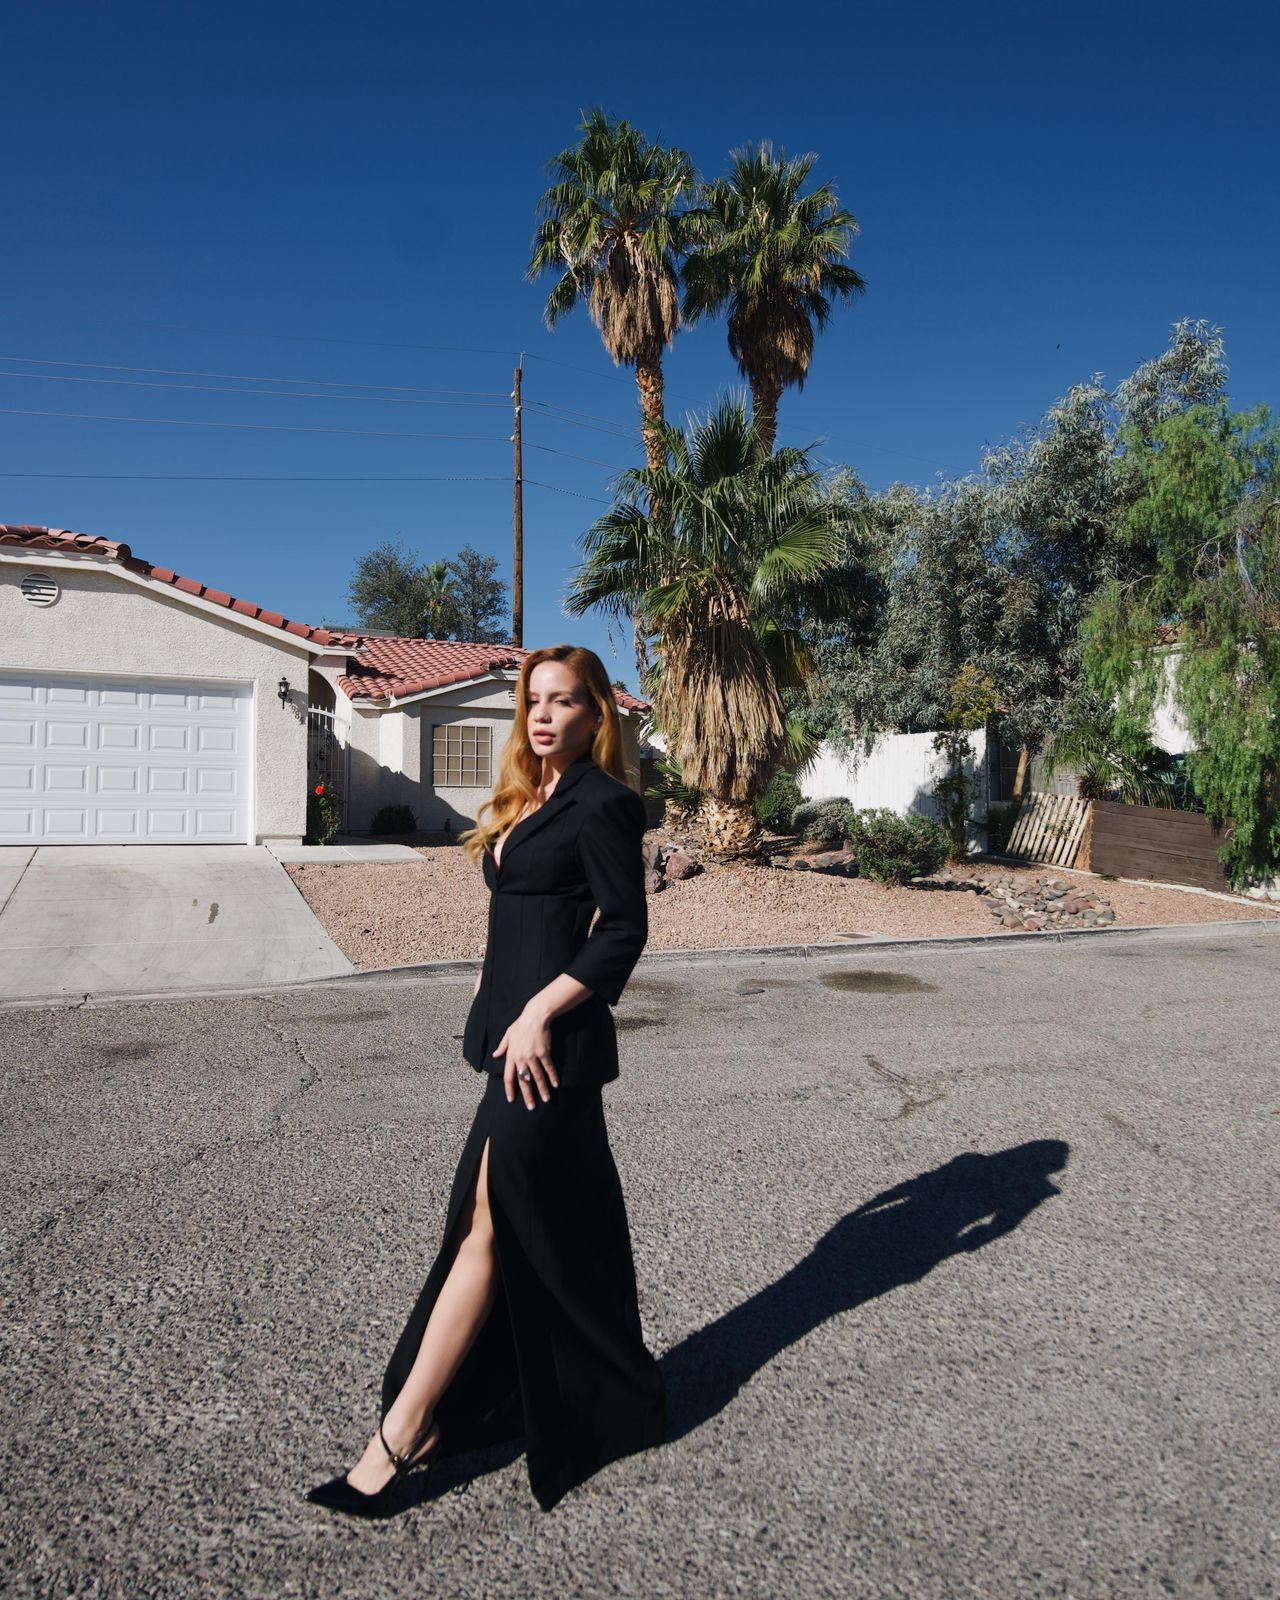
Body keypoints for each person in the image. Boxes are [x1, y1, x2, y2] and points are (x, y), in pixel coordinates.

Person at [306, 644, 665, 1515]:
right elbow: (521, 913)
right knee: (523, 1226)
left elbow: (621, 931)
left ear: (596, 716)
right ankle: (593, 1394)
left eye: (565, 702)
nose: (544, 716)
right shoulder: (524, 798)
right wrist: (488, 987)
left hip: (552, 1051)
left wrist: (541, 1010)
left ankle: (399, 1438)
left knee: (487, 1226)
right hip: (508, 1040)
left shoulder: (606, 804)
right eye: (534, 701)